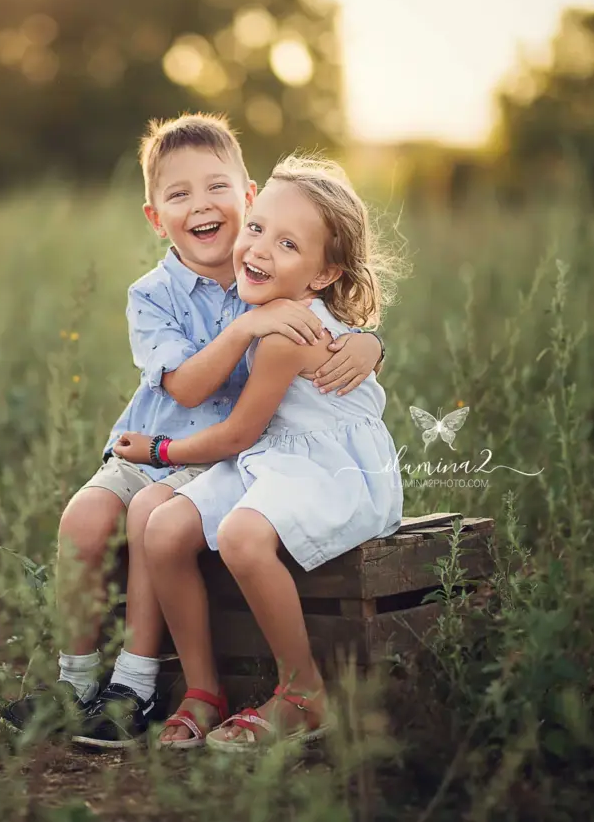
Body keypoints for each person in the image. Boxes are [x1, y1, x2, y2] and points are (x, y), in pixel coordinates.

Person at [2, 117, 385, 742]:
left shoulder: (267, 272)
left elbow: (330, 324)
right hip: (154, 440)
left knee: (149, 514)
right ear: (156, 218)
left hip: (216, 455)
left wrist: (372, 344)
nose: (202, 205)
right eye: (179, 194)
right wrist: (243, 330)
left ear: (247, 197)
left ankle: (137, 683)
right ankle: (74, 681)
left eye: (216, 188)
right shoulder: (158, 294)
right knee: (82, 521)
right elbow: (183, 386)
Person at [111, 154, 403, 751]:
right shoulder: (257, 304)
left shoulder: (285, 335)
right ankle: (203, 690)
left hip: (334, 470)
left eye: (288, 244)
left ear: (323, 274)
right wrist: (372, 342)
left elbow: (236, 435)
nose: (260, 250)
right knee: (163, 530)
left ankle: (303, 692)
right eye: (257, 228)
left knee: (242, 535)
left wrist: (160, 449)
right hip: (273, 459)